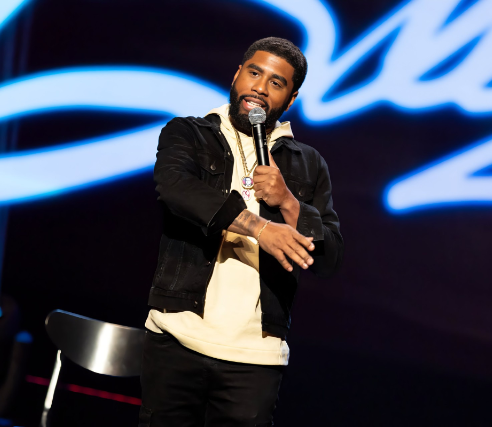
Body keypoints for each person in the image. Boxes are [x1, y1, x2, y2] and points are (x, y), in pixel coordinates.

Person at [139, 37, 343, 427]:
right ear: (237, 75)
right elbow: (176, 190)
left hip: (255, 358)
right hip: (177, 337)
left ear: (291, 98)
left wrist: (289, 203)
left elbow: (330, 258)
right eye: (254, 73)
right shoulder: (189, 133)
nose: (260, 88)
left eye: (276, 83)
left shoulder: (308, 164)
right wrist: (260, 228)